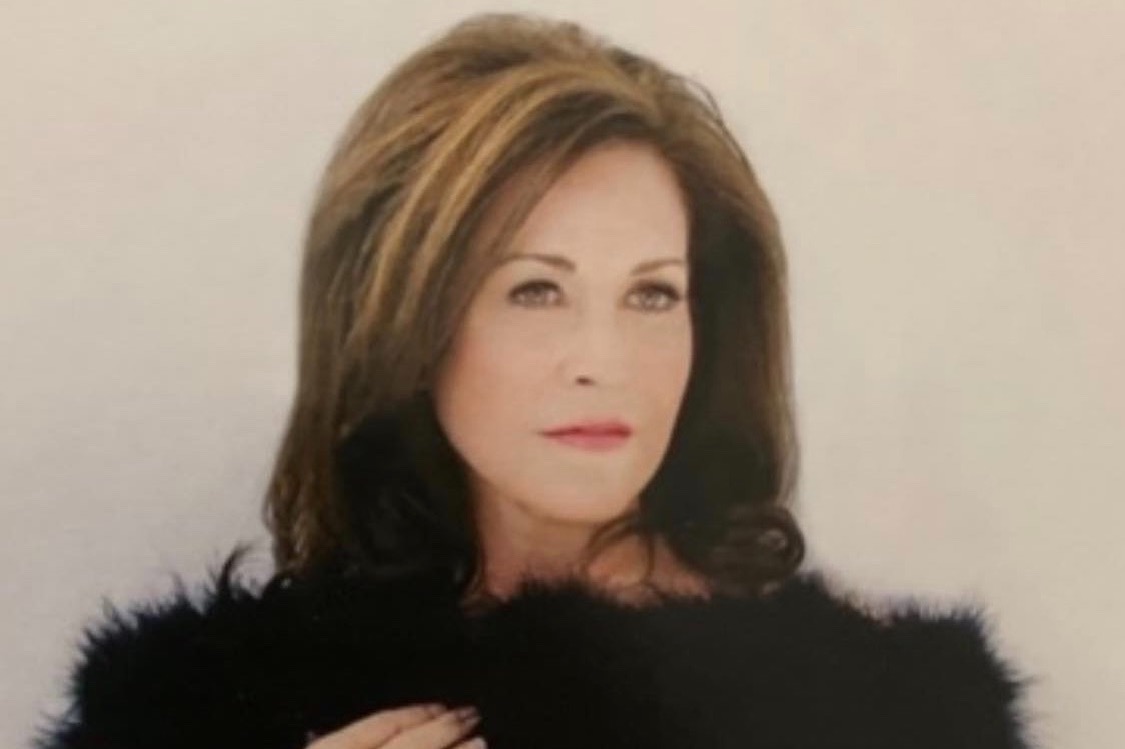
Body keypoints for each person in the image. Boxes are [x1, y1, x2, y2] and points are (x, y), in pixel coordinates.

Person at [35, 12, 1031, 749]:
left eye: (652, 294)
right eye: (535, 290)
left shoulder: (877, 705)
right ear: (408, 323)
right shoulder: (205, 704)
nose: (603, 356)